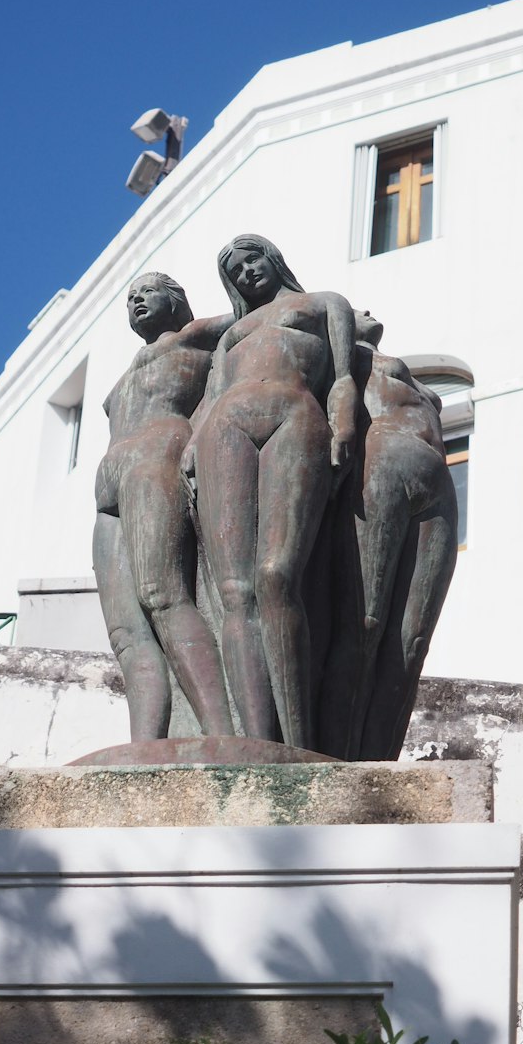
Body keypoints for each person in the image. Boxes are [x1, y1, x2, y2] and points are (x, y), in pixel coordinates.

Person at [181, 235, 358, 750]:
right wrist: (191, 447)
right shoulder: (231, 333)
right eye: (234, 272)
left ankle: (298, 744)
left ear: (274, 258)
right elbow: (211, 398)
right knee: (236, 591)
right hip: (226, 427)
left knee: (277, 575)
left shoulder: (323, 305)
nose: (245, 274)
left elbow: (344, 375)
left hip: (295, 414)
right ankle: (257, 743)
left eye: (251, 260)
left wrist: (342, 423)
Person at [93, 272, 234, 740]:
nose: (136, 301)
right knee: (126, 632)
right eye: (129, 296)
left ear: (175, 301)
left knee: (163, 595)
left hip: (156, 457)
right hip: (109, 484)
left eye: (147, 292)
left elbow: (259, 317)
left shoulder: (195, 336)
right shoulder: (125, 373)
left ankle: (219, 732)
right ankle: (146, 746)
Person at [318, 310, 458, 760]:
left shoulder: (399, 369)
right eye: (356, 311)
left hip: (435, 478)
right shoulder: (341, 359)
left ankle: (379, 759)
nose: (367, 313)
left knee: (413, 638)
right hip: (381, 462)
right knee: (367, 622)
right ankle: (340, 757)